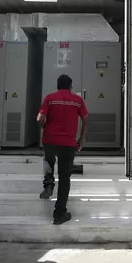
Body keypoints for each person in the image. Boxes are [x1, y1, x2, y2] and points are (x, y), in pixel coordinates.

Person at [37, 74, 88, 225]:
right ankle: (59, 214)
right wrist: (82, 138)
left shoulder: (50, 98)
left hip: (50, 139)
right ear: (70, 86)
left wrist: (44, 127)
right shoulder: (78, 101)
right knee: (65, 179)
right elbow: (86, 118)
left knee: (49, 161)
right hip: (68, 143)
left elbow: (40, 118)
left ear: (58, 85)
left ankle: (48, 185)